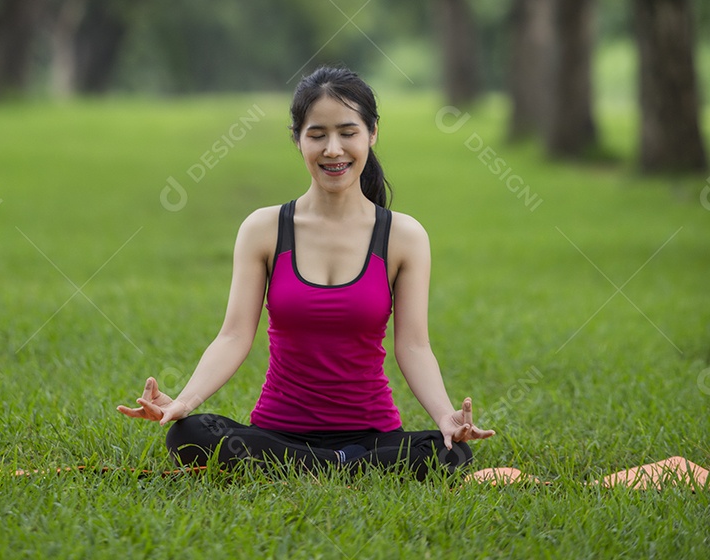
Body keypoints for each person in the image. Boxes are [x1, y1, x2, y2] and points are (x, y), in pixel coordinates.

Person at [117, 65, 494, 479]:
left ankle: (316, 467)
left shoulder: (403, 236)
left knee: (448, 454)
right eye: (317, 135)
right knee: (187, 435)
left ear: (372, 134)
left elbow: (414, 347)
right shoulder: (264, 229)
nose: (333, 149)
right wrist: (184, 402)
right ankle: (343, 467)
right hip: (278, 432)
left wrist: (445, 417)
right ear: (298, 139)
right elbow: (234, 335)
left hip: (371, 434)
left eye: (348, 132)